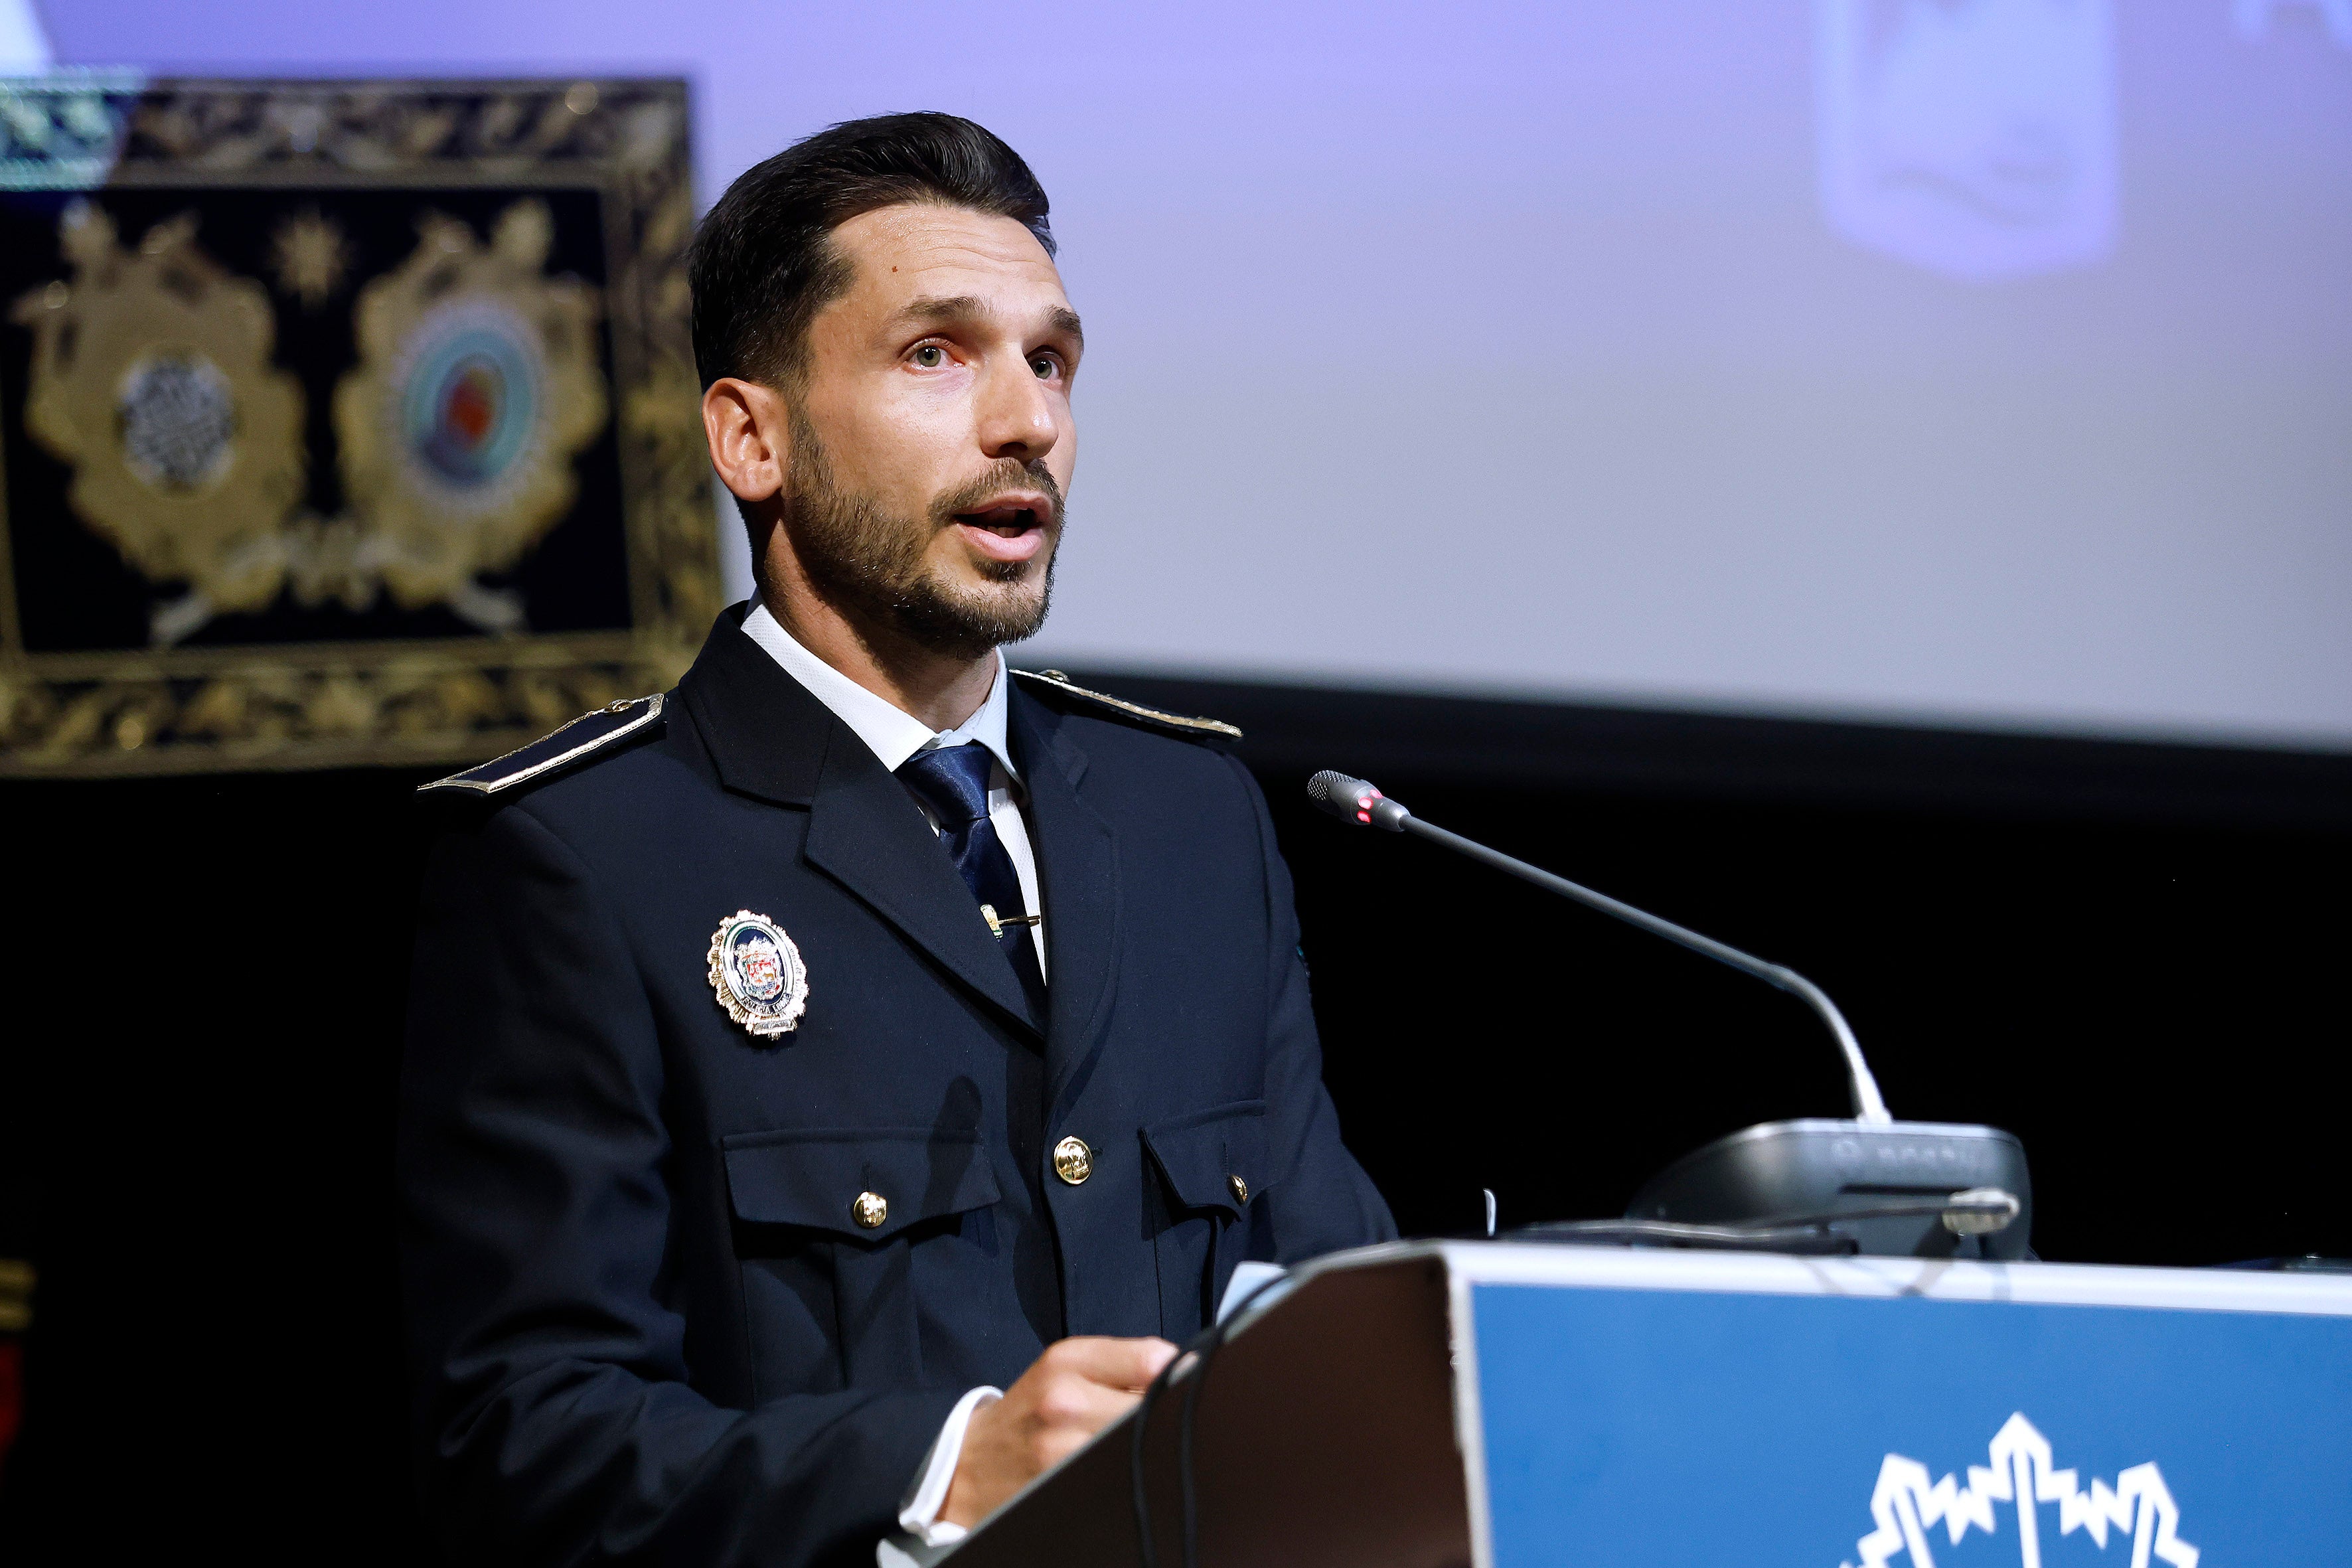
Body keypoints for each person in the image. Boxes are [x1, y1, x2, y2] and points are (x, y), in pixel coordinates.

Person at [397, 112, 1395, 1568]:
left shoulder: (1188, 821)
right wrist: (945, 1467)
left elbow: (1337, 1310)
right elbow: (523, 1435)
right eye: (938, 354)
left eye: (1049, 360)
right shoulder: (583, 856)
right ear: (753, 436)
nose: (1027, 421)